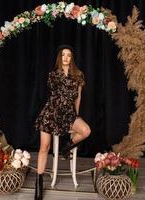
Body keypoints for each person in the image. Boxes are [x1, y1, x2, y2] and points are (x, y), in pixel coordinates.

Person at [34, 45, 91, 200]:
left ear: (72, 58)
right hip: (51, 112)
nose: (66, 58)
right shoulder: (53, 74)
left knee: (86, 131)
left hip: (68, 114)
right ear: (60, 57)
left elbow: (77, 98)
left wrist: (76, 115)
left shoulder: (79, 75)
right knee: (44, 146)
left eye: (69, 55)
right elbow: (55, 95)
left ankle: (67, 147)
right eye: (63, 55)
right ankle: (38, 182)